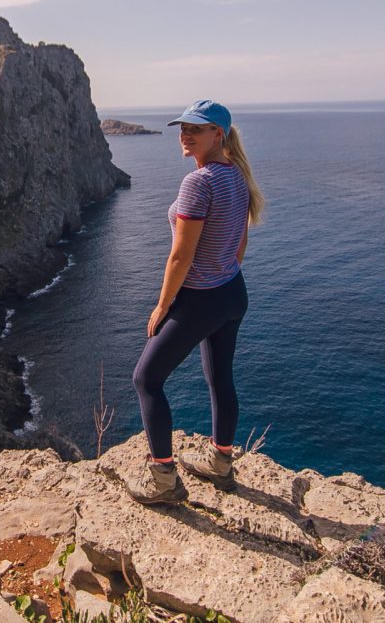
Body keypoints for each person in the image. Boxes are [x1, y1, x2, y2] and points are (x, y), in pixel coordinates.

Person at [125, 99, 265, 505]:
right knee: (220, 377)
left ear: (218, 134)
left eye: (195, 128)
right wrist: (223, 275)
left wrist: (163, 305)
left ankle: (163, 481)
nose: (185, 135)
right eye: (182, 128)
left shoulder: (198, 183)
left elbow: (180, 257)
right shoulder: (237, 175)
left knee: (146, 379)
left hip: (200, 299)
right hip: (232, 292)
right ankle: (220, 463)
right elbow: (239, 243)